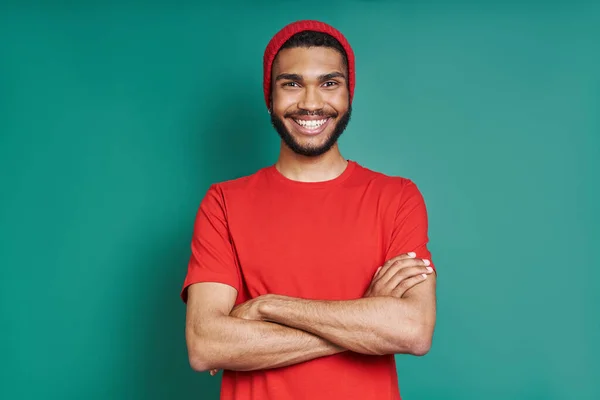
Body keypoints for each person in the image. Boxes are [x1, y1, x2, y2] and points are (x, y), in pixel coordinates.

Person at [180, 19, 437, 400]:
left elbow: (413, 330)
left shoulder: (397, 197)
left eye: (329, 83)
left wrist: (266, 306)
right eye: (292, 83)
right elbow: (205, 345)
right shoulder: (223, 202)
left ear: (350, 94)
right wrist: (365, 318)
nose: (311, 102)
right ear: (269, 96)